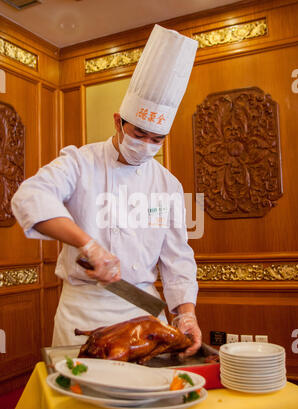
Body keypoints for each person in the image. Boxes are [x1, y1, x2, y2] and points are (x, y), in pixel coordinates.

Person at [11, 24, 202, 357]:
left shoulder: (167, 184)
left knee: (146, 401)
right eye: (140, 134)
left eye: (157, 140)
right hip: (84, 309)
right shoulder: (80, 162)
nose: (147, 145)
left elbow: (177, 259)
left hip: (145, 314)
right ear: (118, 121)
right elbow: (30, 196)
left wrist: (186, 313)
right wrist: (90, 246)